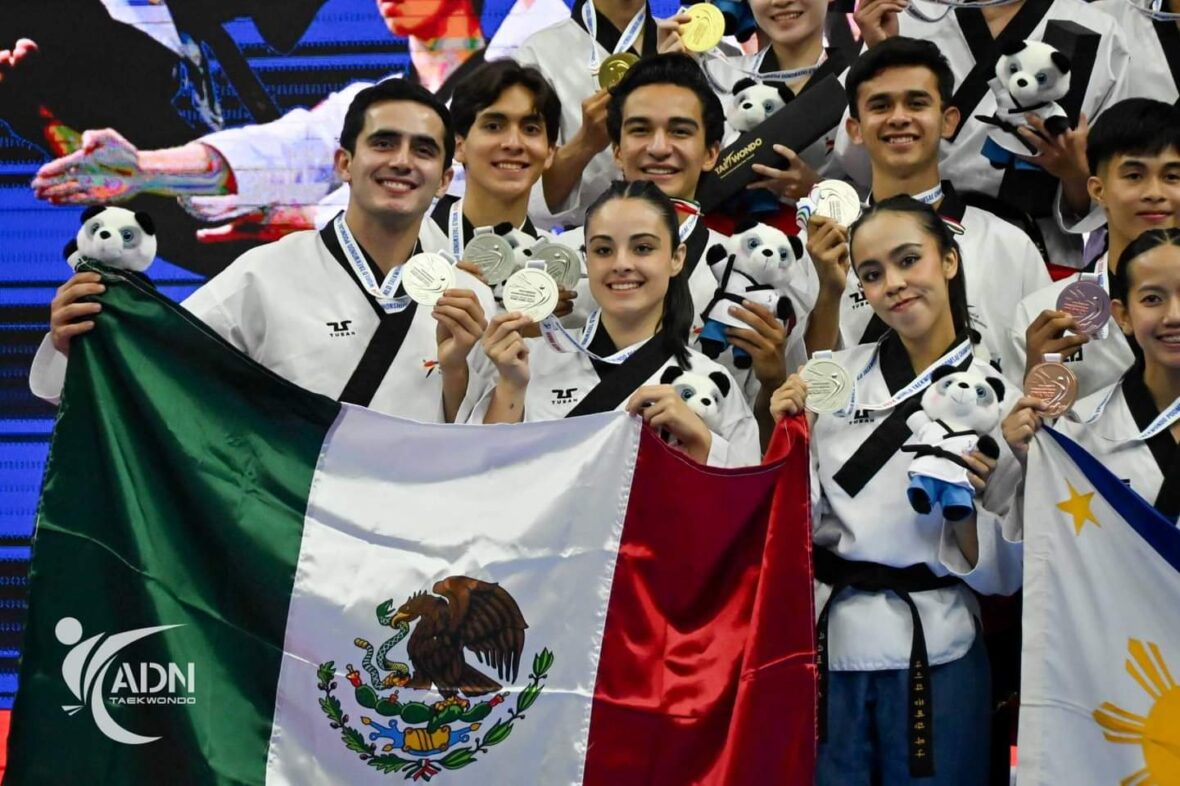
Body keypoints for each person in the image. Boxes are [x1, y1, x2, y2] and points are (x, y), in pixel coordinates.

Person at [30, 80, 496, 424]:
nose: (400, 161)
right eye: (383, 143)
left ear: (444, 180)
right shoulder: (264, 274)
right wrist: (78, 341)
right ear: (344, 163)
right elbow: (156, 367)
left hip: (418, 546)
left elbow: (492, 454)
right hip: (294, 544)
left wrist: (458, 372)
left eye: (422, 150)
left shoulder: (470, 297)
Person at [770, 196, 1022, 785]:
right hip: (829, 639)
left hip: (940, 643)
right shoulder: (830, 378)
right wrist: (782, 433)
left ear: (950, 262)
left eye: (910, 260)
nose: (895, 284)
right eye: (873, 273)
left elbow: (1006, 574)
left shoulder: (999, 403)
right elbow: (793, 521)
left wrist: (964, 517)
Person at [559, 54, 811, 441]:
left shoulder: (758, 271)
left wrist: (774, 377)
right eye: (640, 130)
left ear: (712, 152)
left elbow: (776, 437)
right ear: (617, 150)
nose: (659, 148)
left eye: (679, 132)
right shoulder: (560, 265)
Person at [803, 37, 1050, 381]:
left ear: (948, 121)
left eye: (916, 103)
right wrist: (829, 292)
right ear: (855, 129)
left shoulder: (1009, 245)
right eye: (880, 106)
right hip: (857, 433)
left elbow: (1045, 369)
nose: (899, 118)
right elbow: (804, 379)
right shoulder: (819, 245)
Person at [475, 179, 761, 467]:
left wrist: (701, 440)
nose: (621, 264)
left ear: (676, 258)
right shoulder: (528, 362)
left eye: (643, 248)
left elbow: (747, 500)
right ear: (586, 260)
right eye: (603, 250)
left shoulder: (710, 380)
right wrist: (510, 388)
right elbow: (488, 483)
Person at [848, 0, 1132, 268]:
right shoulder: (907, 14)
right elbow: (854, 159)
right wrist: (879, 53)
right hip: (910, 234)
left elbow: (1109, 196)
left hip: (1036, 248)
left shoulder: (1096, 28)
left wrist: (1073, 173)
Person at [1004, 99, 1180, 398]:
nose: (1154, 193)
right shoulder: (1042, 316)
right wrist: (1037, 386)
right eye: (1134, 175)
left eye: (1172, 176)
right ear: (1098, 190)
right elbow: (1019, 439)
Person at [1004, 228, 1180, 519]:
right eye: (1152, 299)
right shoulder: (1077, 432)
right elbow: (1049, 548)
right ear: (1123, 316)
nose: (1174, 316)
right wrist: (1032, 466)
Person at [668, 0, 850, 205]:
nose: (780, 2)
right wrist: (665, 81)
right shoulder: (712, 77)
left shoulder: (857, 84)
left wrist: (818, 190)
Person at [511, 0, 658, 227]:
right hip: (588, 244)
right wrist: (586, 143)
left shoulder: (691, 43)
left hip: (688, 239)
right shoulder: (538, 54)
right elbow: (529, 199)